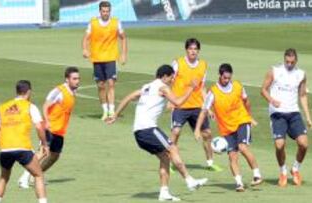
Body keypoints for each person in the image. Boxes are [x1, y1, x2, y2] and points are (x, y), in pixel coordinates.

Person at [107, 65, 208, 201]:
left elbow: (129, 97)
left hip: (139, 132)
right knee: (172, 148)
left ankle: (164, 192)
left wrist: (115, 114)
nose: (173, 80)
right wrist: (191, 87)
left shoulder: (147, 87)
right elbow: (178, 102)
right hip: (148, 129)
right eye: (172, 77)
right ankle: (190, 180)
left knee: (165, 157)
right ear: (165, 76)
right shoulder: (163, 87)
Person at [195, 63, 262, 192]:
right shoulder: (213, 92)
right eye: (225, 78)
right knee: (232, 156)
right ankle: (239, 184)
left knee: (242, 147)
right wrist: (197, 129)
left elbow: (246, 101)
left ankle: (257, 175)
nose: (227, 80)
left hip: (242, 121)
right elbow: (204, 111)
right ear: (220, 76)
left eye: (229, 78)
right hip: (226, 129)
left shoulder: (238, 86)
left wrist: (250, 117)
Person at [18, 67, 80, 188]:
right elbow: (46, 105)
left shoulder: (73, 91)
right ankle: (24, 178)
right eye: (74, 78)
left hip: (60, 130)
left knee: (54, 156)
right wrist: (47, 121)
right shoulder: (59, 91)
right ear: (67, 79)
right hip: (50, 128)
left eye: (78, 78)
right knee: (42, 152)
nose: (77, 81)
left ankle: (36, 176)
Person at [261, 48, 312, 187]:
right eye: (287, 62)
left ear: (296, 61)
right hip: (277, 114)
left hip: (294, 113)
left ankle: (295, 169)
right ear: (284, 59)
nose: (289, 64)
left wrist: (308, 117)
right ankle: (283, 171)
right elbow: (263, 90)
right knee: (279, 145)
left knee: (304, 144)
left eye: (292, 62)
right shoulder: (274, 71)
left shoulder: (301, 74)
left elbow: (302, 95)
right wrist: (272, 100)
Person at [0, 80, 49, 203]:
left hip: (5, 150)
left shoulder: (2, 107)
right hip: (23, 148)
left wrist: (3, 144)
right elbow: (39, 127)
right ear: (28, 92)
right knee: (38, 175)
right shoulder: (30, 106)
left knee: (3, 177)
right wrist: (44, 144)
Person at [170, 38, 221, 171]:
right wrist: (171, 100)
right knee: (175, 132)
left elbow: (202, 88)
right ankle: (172, 162)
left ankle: (210, 163)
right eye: (191, 49)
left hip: (197, 106)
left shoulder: (203, 65)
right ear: (186, 50)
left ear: (198, 51)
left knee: (207, 134)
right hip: (180, 106)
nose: (193, 51)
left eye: (195, 49)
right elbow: (170, 81)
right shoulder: (178, 63)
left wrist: (208, 108)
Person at [82, 0, 128, 120]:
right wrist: (85, 50)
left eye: (107, 11)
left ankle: (112, 111)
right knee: (101, 85)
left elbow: (123, 38)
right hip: (97, 58)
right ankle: (105, 110)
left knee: (111, 83)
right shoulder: (93, 23)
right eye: (103, 11)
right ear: (100, 11)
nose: (105, 13)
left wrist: (123, 54)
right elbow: (86, 38)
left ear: (110, 11)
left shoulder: (115, 22)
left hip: (111, 57)